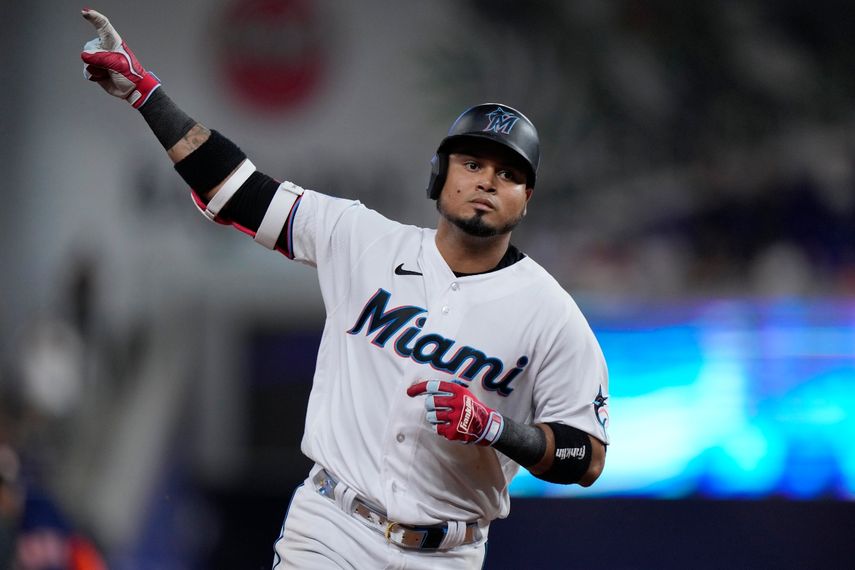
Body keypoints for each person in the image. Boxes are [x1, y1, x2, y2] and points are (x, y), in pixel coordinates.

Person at [79, 8, 610, 569]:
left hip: (446, 553)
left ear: (527, 198)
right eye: (472, 162)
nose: (486, 181)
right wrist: (144, 93)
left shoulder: (551, 314)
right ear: (439, 176)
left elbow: (586, 456)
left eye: (509, 174)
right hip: (331, 528)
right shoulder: (361, 239)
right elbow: (237, 190)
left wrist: (496, 428)